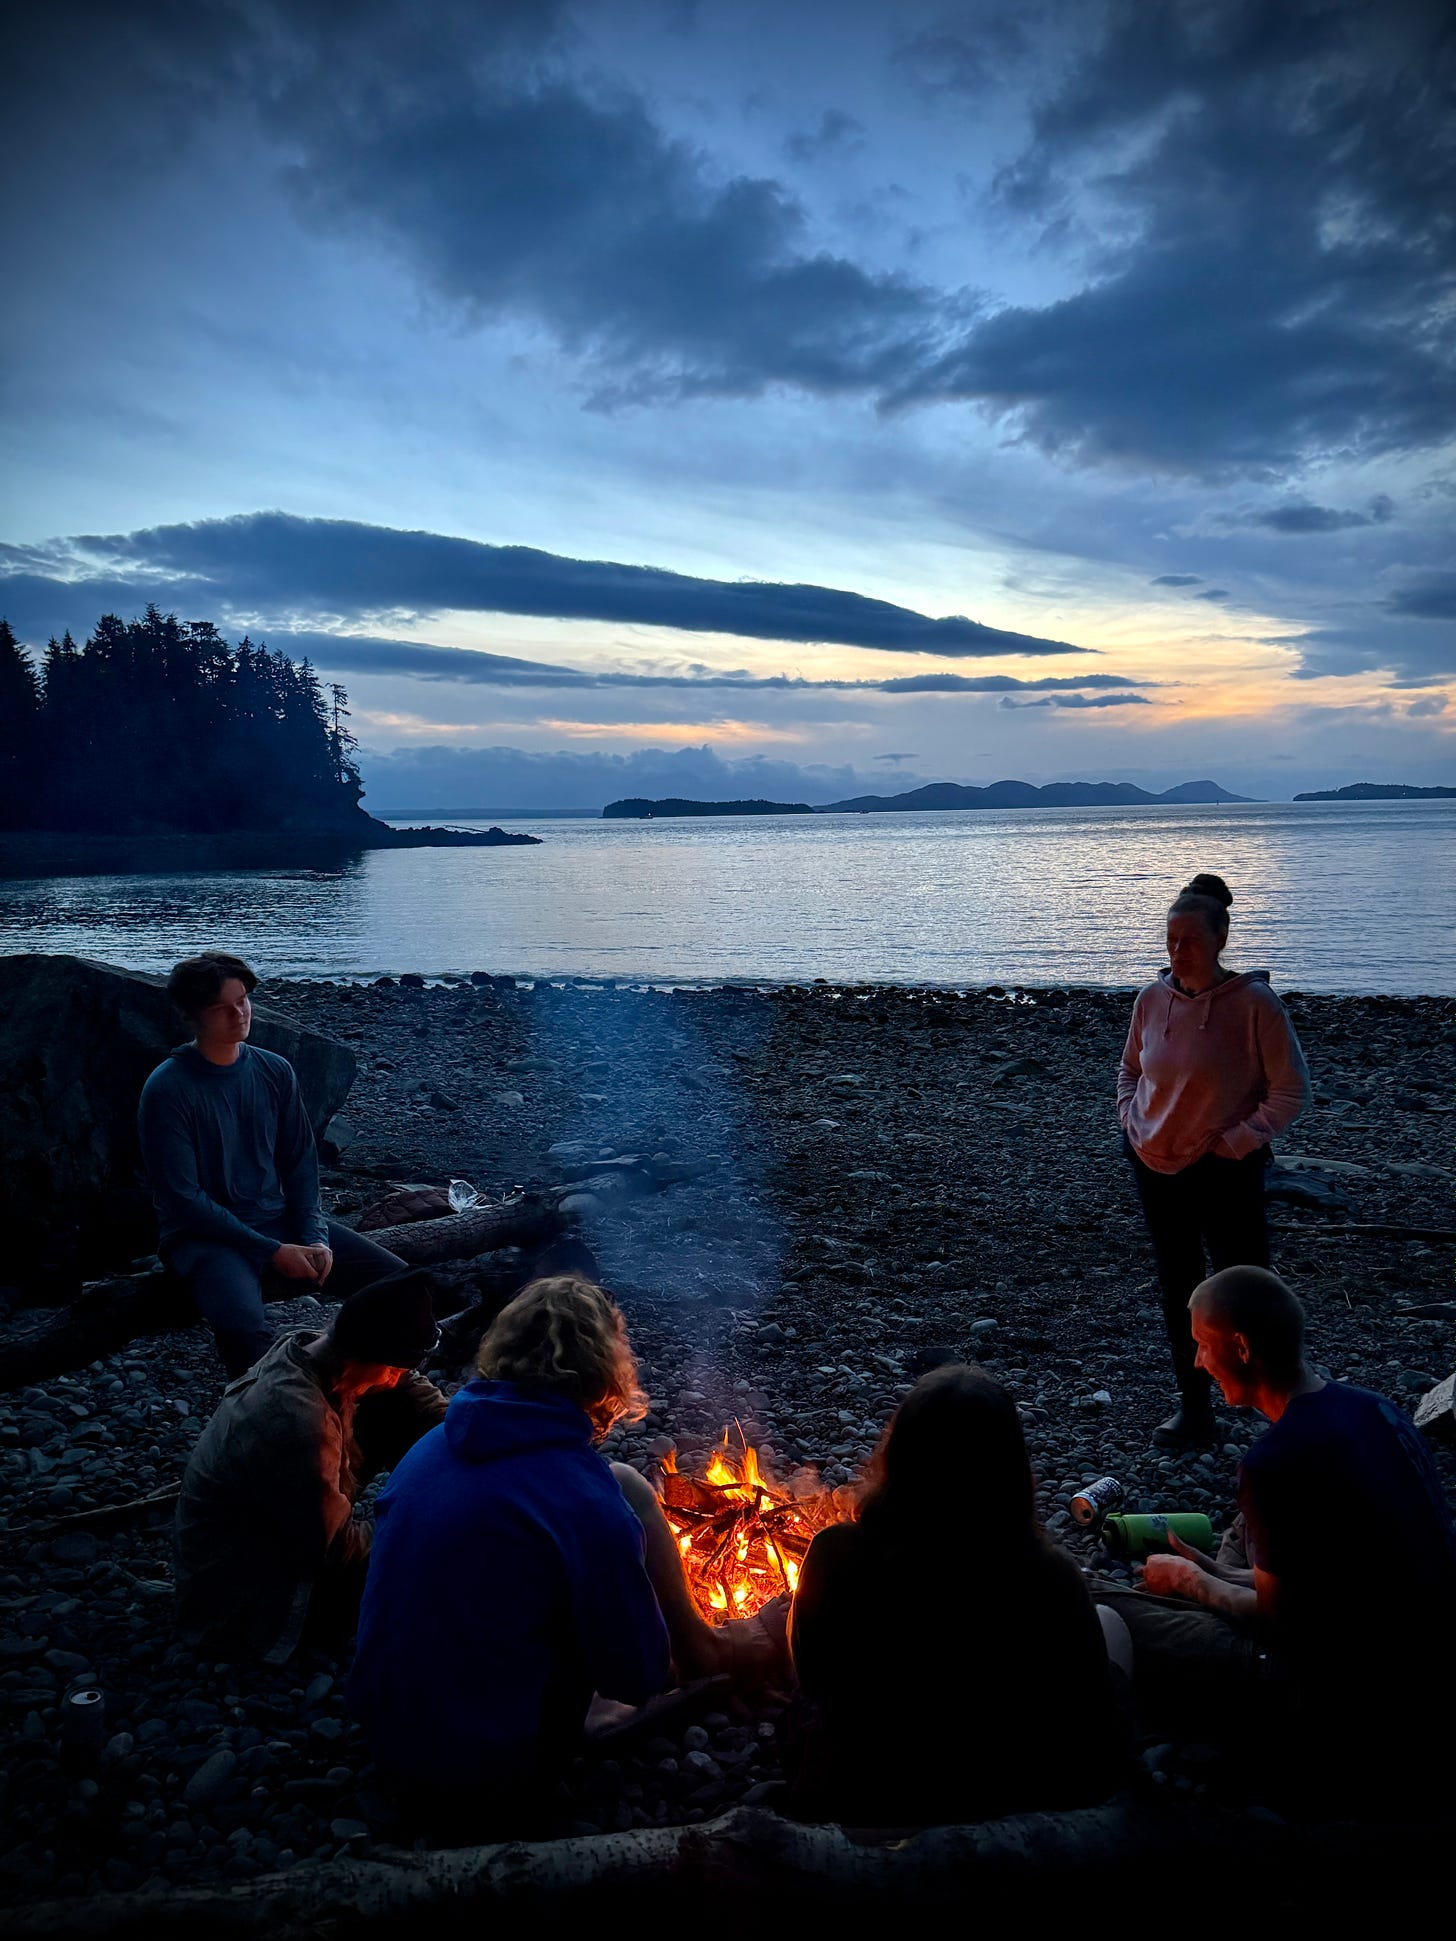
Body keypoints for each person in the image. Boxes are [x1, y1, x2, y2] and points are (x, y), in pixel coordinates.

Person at [348, 1275, 775, 1836]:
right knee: (621, 1597)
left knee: (623, 1485)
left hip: (384, 1732)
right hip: (485, 1772)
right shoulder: (581, 1501)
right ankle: (714, 1648)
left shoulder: (432, 1446)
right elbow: (637, 1675)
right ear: (605, 1376)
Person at [1099, 1266, 1456, 1815]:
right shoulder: (1374, 1406)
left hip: (1344, 1689)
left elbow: (1282, 1618)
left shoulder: (1277, 1461)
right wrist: (1219, 1572)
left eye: (1201, 1346)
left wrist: (1191, 1581)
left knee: (1108, 1607)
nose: (1197, 1362)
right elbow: (1341, 1572)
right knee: (1244, 1528)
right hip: (1423, 1646)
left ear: (1240, 1347)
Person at [788, 1363, 1131, 1827]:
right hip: (1006, 1807)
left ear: (898, 1455)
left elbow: (811, 1674)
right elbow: (1087, 1710)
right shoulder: (1049, 1578)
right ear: (1010, 1469)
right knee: (1113, 1622)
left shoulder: (837, 1552)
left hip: (862, 1795)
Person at [138, 951, 406, 1377]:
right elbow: (181, 1197)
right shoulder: (168, 1088)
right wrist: (272, 1252)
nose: (238, 1014)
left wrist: (314, 1237)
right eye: (220, 1008)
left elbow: (300, 1163)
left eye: (242, 1000)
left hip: (275, 1218)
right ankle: (258, 1415)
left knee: (397, 1284)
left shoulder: (274, 1070)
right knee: (245, 1329)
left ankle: (358, 1384)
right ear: (191, 1015)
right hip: (203, 1237)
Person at [1118, 875, 1310, 1445]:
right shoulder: (1152, 1000)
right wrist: (1130, 1118)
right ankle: (1195, 1412)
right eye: (1171, 939)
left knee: (1248, 1291)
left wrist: (1238, 1142)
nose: (1178, 951)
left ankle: (1280, 1411)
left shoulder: (1255, 1005)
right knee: (1180, 1288)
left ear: (1221, 937)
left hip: (1226, 1170)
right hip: (1154, 1162)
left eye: (1190, 940)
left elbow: (1290, 1091)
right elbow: (1130, 1068)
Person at [175, 1266, 447, 1664]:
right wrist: (421, 1523)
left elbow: (408, 1386)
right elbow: (338, 1550)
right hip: (251, 1599)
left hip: (286, 1528)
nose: (395, 1378)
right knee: (442, 1555)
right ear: (362, 1353)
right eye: (391, 1368)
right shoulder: (297, 1421)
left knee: (399, 1406)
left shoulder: (308, 1346)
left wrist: (462, 1427)